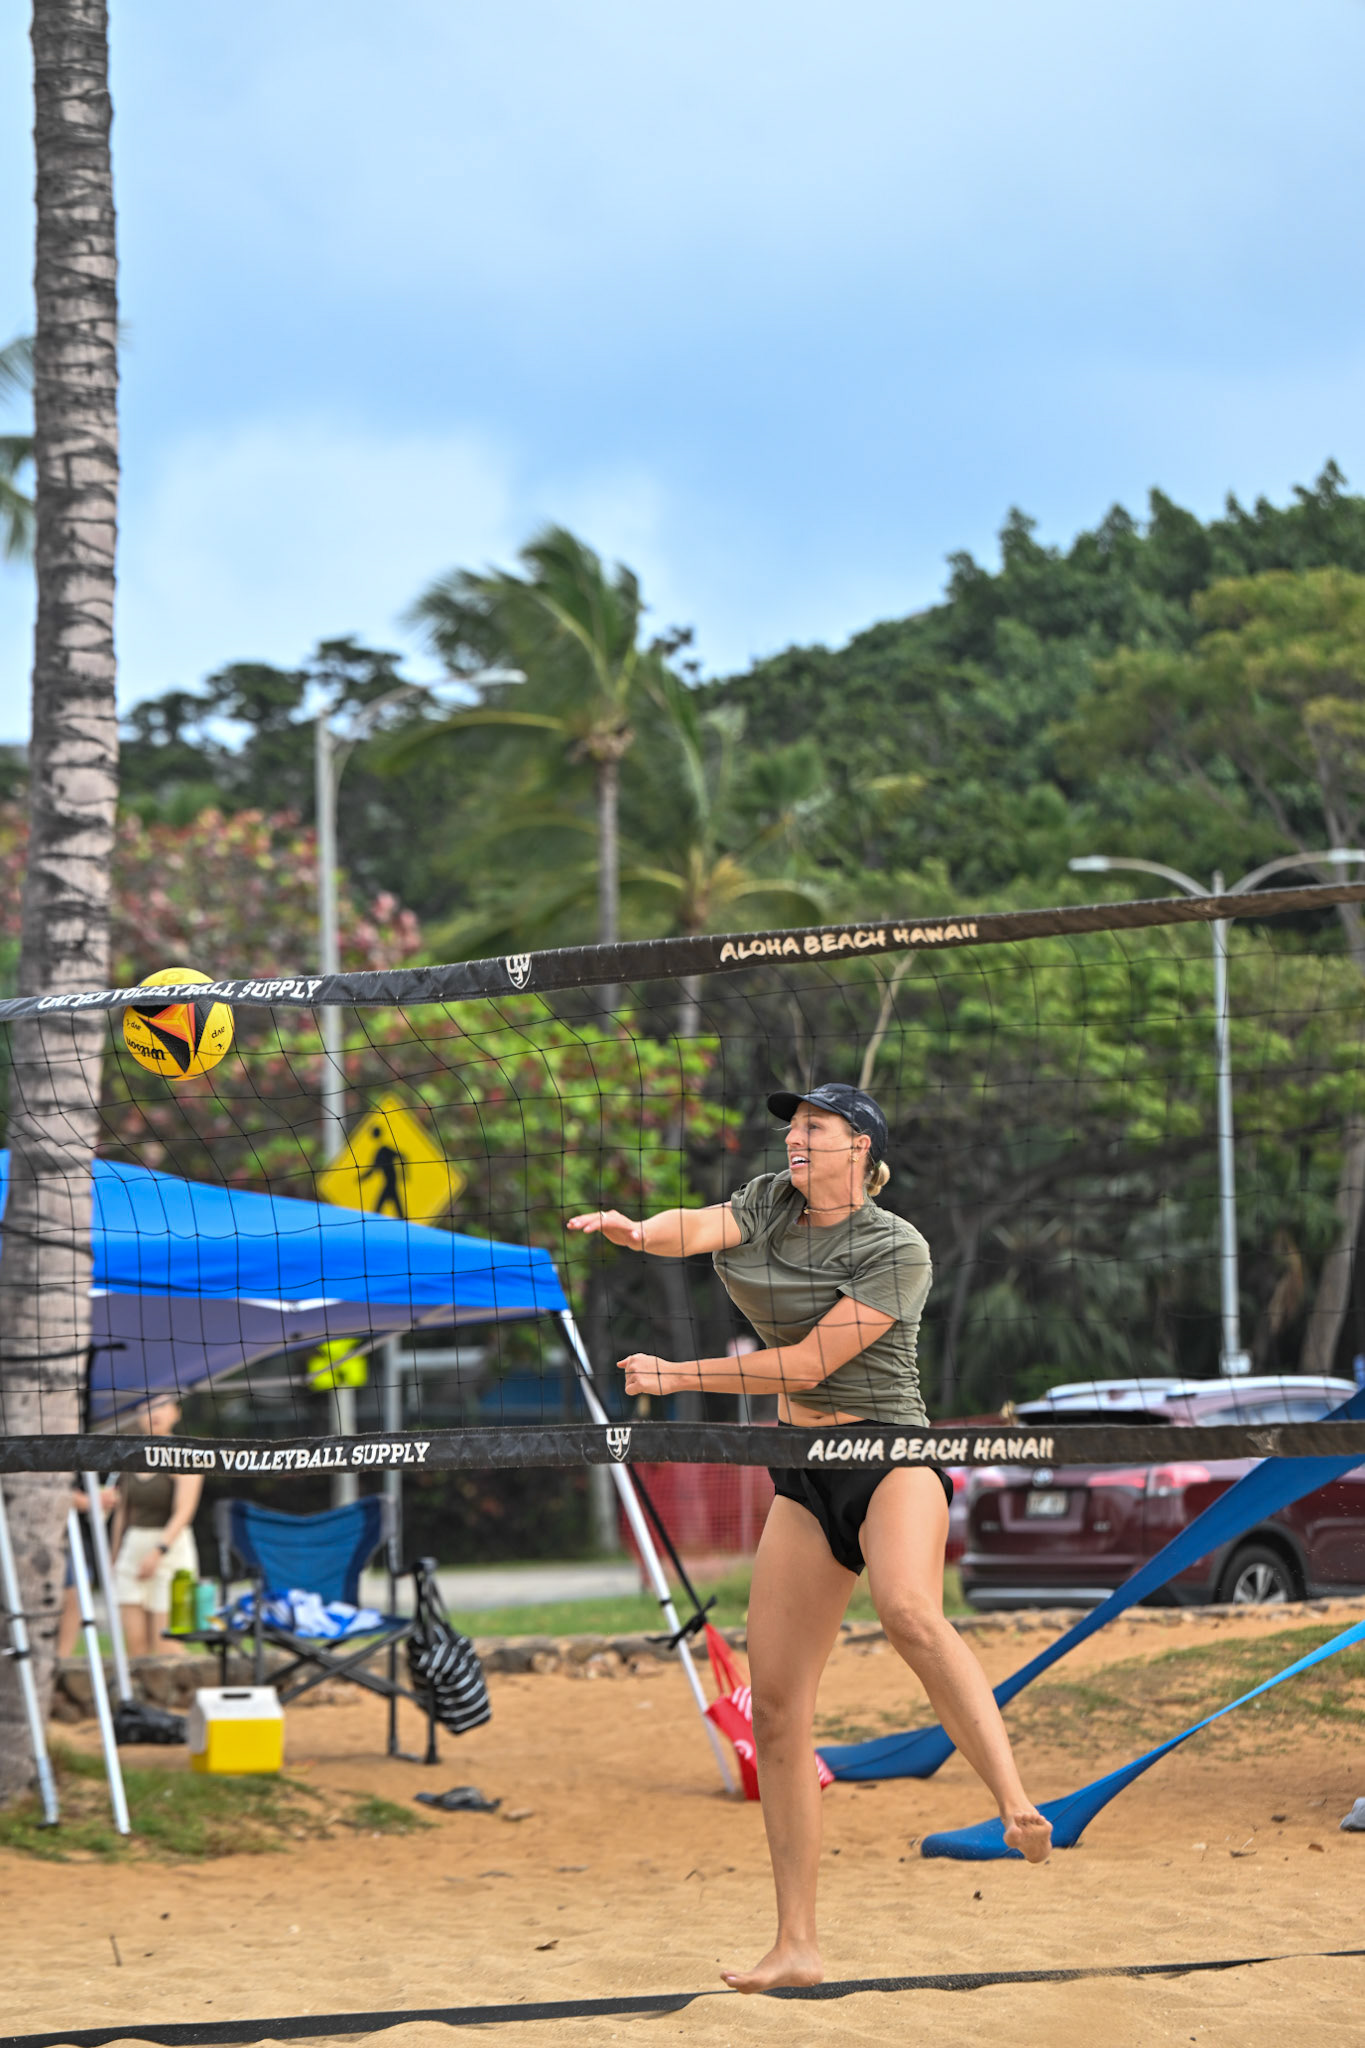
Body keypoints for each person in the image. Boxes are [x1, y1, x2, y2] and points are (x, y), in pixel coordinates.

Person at [568, 1081, 1051, 1994]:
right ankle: (796, 1946)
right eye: (790, 1127)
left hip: (888, 1458)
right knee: (779, 1711)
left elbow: (807, 1363)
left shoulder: (894, 1246)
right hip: (803, 1470)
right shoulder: (767, 1201)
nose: (795, 1140)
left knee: (909, 1612)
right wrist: (639, 1231)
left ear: (860, 1148)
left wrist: (678, 1377)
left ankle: (1014, 1802)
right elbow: (700, 1225)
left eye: (814, 1129)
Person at [110, 1398, 204, 1656]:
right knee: (135, 1646)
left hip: (172, 1550)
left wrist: (158, 1551)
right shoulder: (130, 1455)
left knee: (168, 1645)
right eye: (147, 1407)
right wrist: (113, 1557)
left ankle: (184, 1694)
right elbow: (122, 1513)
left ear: (176, 1412)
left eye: (162, 1405)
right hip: (133, 1548)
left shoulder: (186, 1454)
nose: (155, 1413)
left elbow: (184, 1512)